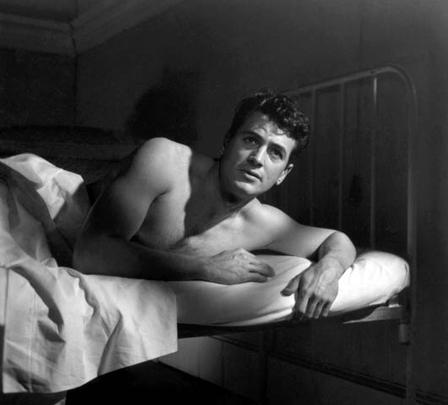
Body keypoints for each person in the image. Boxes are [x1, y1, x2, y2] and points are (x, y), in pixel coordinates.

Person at [73, 91, 356, 319]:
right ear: (227, 143)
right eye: (251, 140)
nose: (257, 158)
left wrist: (329, 269)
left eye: (275, 153)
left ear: (283, 173)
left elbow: (336, 240)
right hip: (65, 217)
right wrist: (203, 268)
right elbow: (89, 253)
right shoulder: (164, 161)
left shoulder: (264, 223)